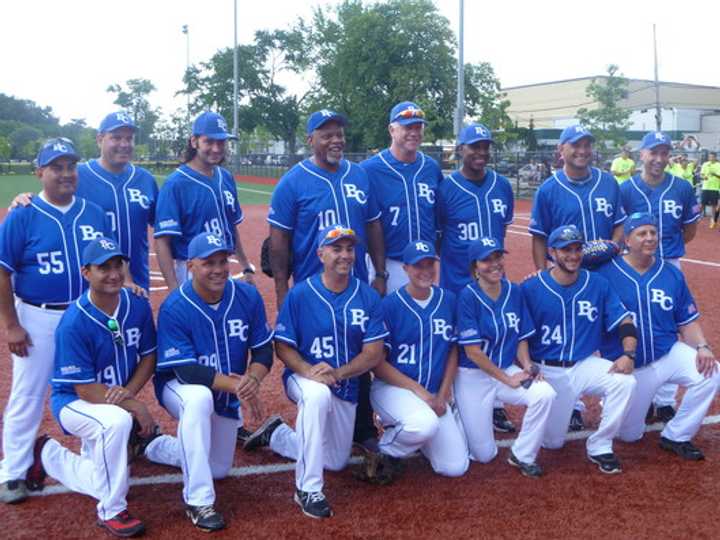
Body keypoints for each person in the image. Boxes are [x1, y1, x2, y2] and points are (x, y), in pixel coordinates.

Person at [244, 225, 387, 519]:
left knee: (334, 461)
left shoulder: (368, 296)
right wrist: (308, 371)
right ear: (321, 254)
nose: (345, 255)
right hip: (304, 378)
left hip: (344, 382)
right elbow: (283, 347)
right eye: (337, 249)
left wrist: (338, 372)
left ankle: (277, 435)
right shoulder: (301, 294)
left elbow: (373, 353)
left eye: (349, 249)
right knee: (317, 395)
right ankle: (307, 489)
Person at [0, 139, 112, 504]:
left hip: (85, 315)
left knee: (92, 388)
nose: (65, 173)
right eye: (56, 167)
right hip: (37, 315)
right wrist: (12, 324)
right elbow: (3, 273)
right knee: (29, 393)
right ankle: (13, 470)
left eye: (70, 166)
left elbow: (109, 264)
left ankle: (97, 460)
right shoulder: (22, 215)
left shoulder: (93, 212)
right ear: (40, 173)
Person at [25, 237, 158, 537]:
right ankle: (111, 511)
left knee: (106, 475)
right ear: (86, 272)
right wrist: (133, 406)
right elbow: (85, 390)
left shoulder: (136, 305)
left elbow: (149, 356)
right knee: (118, 422)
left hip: (112, 398)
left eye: (117, 265)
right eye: (103, 268)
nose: (113, 274)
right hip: (74, 402)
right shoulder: (74, 321)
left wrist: (128, 394)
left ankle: (47, 455)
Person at [146, 232, 274, 531]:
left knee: (218, 468)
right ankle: (198, 501)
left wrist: (253, 379)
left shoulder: (247, 296)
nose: (218, 269)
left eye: (222, 261)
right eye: (208, 263)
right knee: (198, 399)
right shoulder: (175, 306)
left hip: (228, 389)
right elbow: (187, 371)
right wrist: (240, 388)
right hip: (177, 386)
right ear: (190, 265)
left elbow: (264, 350)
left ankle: (153, 447)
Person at [596, 213, 720, 459]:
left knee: (711, 372)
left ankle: (676, 436)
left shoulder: (671, 273)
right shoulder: (605, 274)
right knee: (629, 436)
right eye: (642, 233)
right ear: (628, 240)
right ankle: (619, 403)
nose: (649, 238)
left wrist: (703, 346)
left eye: (653, 232)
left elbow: (686, 321)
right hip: (632, 366)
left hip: (667, 353)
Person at [528, 125, 626, 431]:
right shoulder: (549, 188)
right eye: (575, 145)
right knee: (569, 337)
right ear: (562, 150)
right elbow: (539, 236)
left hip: (604, 270)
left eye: (587, 145)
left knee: (609, 333)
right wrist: (543, 274)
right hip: (566, 272)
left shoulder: (608, 182)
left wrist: (612, 246)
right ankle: (572, 404)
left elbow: (619, 226)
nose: (582, 151)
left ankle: (615, 398)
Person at [522, 225, 637, 474]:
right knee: (552, 444)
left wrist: (628, 354)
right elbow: (517, 335)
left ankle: (600, 446)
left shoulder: (597, 283)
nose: (573, 255)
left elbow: (624, 321)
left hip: (584, 364)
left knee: (625, 382)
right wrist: (527, 367)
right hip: (547, 370)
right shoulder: (531, 288)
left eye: (577, 249)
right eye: (565, 250)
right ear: (552, 252)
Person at [9, 112, 158, 292]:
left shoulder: (145, 179)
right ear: (100, 139)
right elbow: (50, 198)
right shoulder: (76, 174)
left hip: (136, 280)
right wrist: (24, 198)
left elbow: (161, 226)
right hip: (89, 286)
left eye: (129, 138)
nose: (124, 144)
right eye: (116, 137)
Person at [436, 123, 517, 433]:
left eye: (485, 147)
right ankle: (458, 400)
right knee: (460, 345)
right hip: (458, 281)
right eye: (474, 147)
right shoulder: (447, 189)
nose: (481, 153)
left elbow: (503, 228)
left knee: (496, 336)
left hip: (493, 281)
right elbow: (440, 235)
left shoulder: (502, 186)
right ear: (460, 150)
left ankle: (495, 404)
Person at [455, 238, 556, 478]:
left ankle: (522, 454)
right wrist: (507, 379)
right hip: (473, 376)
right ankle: (457, 414)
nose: (494, 264)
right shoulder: (467, 296)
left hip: (506, 369)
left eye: (497, 257)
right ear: (474, 266)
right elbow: (473, 352)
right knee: (484, 455)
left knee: (544, 394)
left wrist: (528, 365)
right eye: (486, 260)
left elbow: (521, 335)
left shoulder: (514, 290)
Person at [267, 109, 386, 309]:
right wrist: (281, 291)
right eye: (327, 136)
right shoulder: (291, 182)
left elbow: (373, 226)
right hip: (311, 288)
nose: (336, 140)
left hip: (357, 285)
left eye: (339, 134)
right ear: (310, 140)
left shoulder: (359, 175)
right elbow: (279, 241)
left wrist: (381, 274)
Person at [370, 241, 468, 478]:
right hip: (393, 389)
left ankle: (417, 437)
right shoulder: (389, 305)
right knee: (423, 424)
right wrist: (422, 394)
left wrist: (443, 394)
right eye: (418, 266)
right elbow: (378, 365)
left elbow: (452, 350)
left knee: (455, 467)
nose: (425, 271)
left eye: (429, 264)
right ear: (405, 269)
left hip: (435, 393)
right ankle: (383, 450)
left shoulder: (449, 300)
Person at [154, 111, 254, 289]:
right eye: (209, 141)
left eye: (221, 142)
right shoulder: (175, 184)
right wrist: (173, 290)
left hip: (222, 265)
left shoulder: (226, 177)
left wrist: (246, 267)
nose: (216, 148)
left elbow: (230, 227)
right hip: (192, 269)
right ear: (194, 142)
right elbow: (162, 241)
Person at [360, 101, 443, 293]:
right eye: (407, 127)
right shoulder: (369, 170)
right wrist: (380, 273)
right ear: (392, 129)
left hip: (425, 264)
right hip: (389, 263)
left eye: (418, 126)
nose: (414, 132)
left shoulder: (431, 167)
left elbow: (439, 217)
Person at [699, 152, 720, 228]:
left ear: (715, 157)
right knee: (702, 204)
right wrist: (703, 177)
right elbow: (701, 174)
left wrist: (714, 174)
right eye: (710, 157)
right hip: (705, 187)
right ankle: (697, 218)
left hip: (715, 188)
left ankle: (713, 220)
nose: (711, 158)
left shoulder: (718, 165)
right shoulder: (705, 164)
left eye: (712, 157)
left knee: (714, 205)